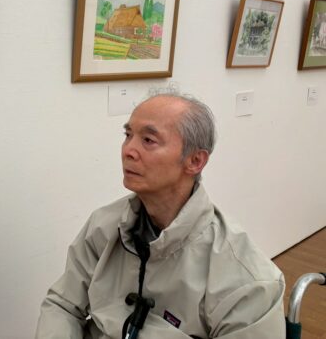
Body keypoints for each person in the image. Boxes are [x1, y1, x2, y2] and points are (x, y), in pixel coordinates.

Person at [35, 93, 285, 339]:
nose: (128, 150)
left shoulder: (248, 281)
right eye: (128, 135)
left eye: (148, 140)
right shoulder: (103, 226)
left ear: (195, 161)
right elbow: (63, 305)